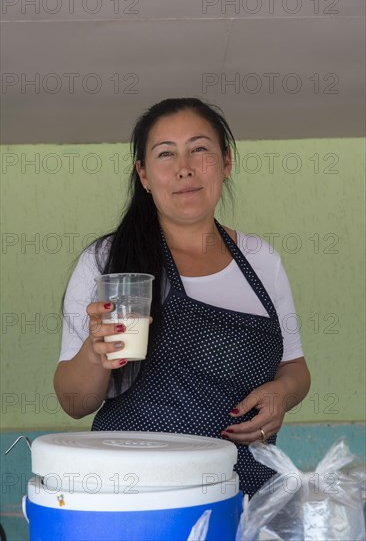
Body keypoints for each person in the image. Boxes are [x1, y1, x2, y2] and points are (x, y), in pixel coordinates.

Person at [54, 97, 311, 498]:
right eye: (165, 154)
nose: (185, 168)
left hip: (240, 493)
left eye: (200, 149)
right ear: (143, 174)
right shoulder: (106, 262)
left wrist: (283, 394)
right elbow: (74, 402)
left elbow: (294, 367)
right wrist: (94, 353)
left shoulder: (262, 260)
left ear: (226, 163)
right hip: (134, 495)